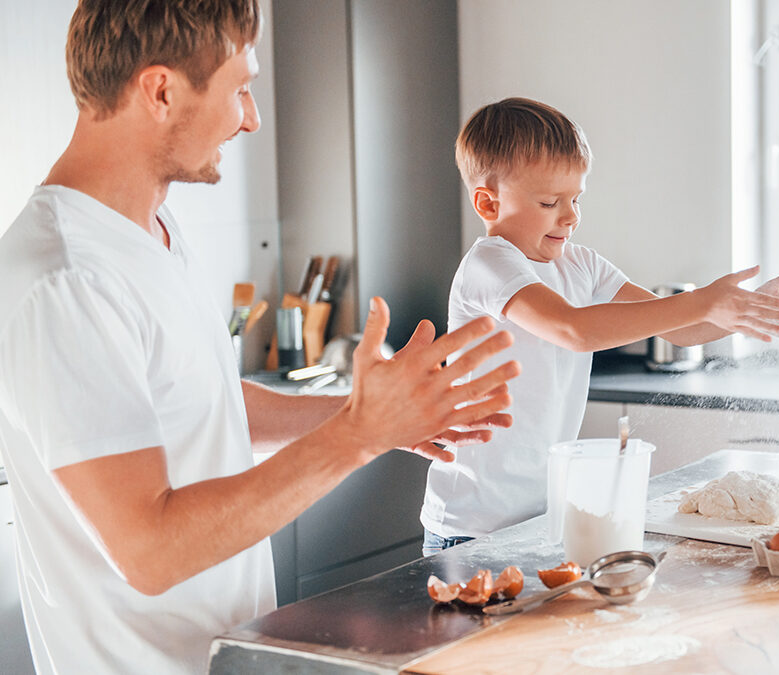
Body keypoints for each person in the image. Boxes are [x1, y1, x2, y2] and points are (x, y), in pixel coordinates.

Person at [0, 2, 518, 673]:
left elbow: (213, 406)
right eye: (240, 89)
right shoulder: (63, 277)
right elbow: (149, 548)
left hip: (226, 656)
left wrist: (376, 415)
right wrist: (355, 435)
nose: (252, 117)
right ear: (160, 90)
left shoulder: (153, 232)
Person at [420, 97, 779, 554]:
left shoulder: (581, 264)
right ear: (488, 202)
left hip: (539, 521)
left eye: (576, 198)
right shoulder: (489, 264)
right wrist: (702, 300)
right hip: (471, 526)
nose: (571, 216)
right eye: (549, 201)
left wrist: (739, 311)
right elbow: (573, 330)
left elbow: (681, 331)